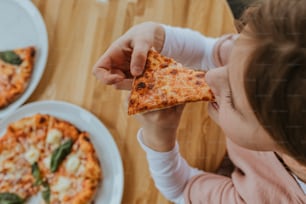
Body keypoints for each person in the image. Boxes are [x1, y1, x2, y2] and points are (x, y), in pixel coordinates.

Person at [93, 0, 306, 203]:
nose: (210, 76)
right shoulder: (276, 52)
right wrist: (160, 39)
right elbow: (208, 50)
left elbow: (183, 189)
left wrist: (159, 139)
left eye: (232, 99)